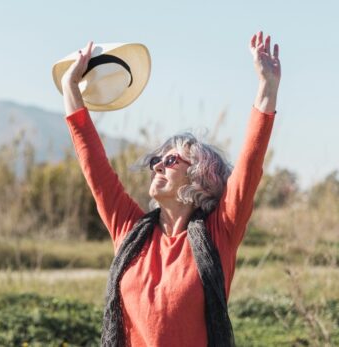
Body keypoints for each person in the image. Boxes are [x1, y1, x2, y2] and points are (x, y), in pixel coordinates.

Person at [60, 31, 281, 347]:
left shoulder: (220, 233)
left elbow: (250, 164)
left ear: (200, 177)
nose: (158, 165)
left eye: (172, 160)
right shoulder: (130, 232)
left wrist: (267, 86)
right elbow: (94, 166)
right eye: (156, 160)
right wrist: (70, 88)